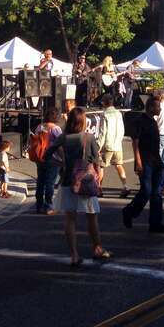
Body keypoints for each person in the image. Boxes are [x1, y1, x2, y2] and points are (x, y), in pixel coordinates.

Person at [48, 107, 111, 265]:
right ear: (84, 122)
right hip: (86, 181)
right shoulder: (89, 138)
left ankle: (74, 255)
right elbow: (96, 161)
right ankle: (97, 248)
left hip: (68, 180)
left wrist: (61, 163)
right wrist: (98, 182)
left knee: (70, 219)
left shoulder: (63, 137)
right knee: (91, 216)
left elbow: (46, 155)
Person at [123, 97, 164, 233]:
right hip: (145, 161)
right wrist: (138, 161)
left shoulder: (153, 122)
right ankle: (129, 211)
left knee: (157, 193)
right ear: (150, 108)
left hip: (156, 162)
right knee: (146, 191)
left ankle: (155, 223)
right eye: (157, 106)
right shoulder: (140, 121)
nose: (160, 109)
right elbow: (135, 142)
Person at [97, 94, 130, 198]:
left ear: (104, 103)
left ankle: (99, 188)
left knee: (101, 166)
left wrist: (98, 146)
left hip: (107, 143)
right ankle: (125, 186)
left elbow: (103, 132)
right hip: (117, 143)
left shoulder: (104, 114)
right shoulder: (119, 113)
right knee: (119, 164)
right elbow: (122, 128)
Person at [34, 107, 63, 213]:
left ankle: (39, 205)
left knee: (40, 181)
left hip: (40, 157)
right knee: (50, 183)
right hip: (52, 158)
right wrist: (63, 158)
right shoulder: (56, 129)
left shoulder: (39, 127)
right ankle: (48, 206)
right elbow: (59, 145)